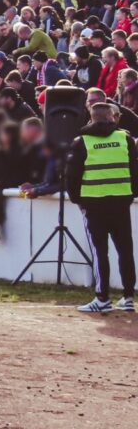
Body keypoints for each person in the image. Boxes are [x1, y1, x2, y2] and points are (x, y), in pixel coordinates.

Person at [65, 100, 138, 314]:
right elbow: (135, 170)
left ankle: (102, 297)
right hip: (121, 202)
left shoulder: (82, 141)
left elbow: (72, 177)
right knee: (125, 250)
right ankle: (128, 297)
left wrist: (77, 201)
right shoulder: (125, 138)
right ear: (112, 116)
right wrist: (130, 194)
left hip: (94, 203)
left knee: (100, 252)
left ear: (91, 116)